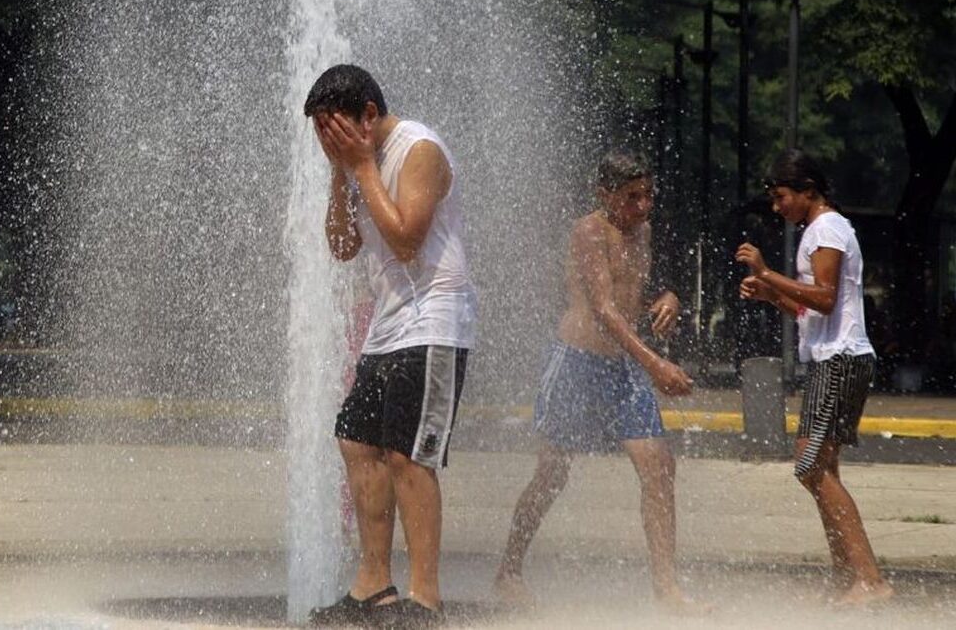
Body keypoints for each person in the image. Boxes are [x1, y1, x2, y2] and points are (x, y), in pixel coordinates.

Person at [303, 64, 477, 628]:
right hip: (390, 325)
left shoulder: (418, 149)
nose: (328, 144)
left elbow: (405, 240)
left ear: (369, 116)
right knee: (355, 440)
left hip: (436, 321)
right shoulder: (360, 164)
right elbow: (342, 246)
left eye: (335, 132)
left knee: (409, 455)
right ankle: (373, 586)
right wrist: (341, 175)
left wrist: (359, 168)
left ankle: (425, 599)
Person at [494, 151, 705, 613]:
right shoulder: (589, 231)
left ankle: (667, 587)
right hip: (577, 363)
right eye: (632, 197)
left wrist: (667, 296)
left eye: (648, 195)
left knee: (659, 467)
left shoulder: (643, 231)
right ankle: (509, 569)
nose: (643, 205)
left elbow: (637, 289)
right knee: (552, 474)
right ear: (605, 194)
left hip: (624, 367)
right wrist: (657, 365)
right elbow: (606, 310)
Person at [737, 148, 894, 606]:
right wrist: (771, 294)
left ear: (808, 191)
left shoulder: (827, 227)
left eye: (782, 196)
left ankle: (869, 578)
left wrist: (768, 272)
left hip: (839, 360)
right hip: (835, 357)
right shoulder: (819, 230)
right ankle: (847, 575)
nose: (776, 206)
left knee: (810, 466)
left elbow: (824, 297)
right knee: (821, 468)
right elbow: (810, 309)